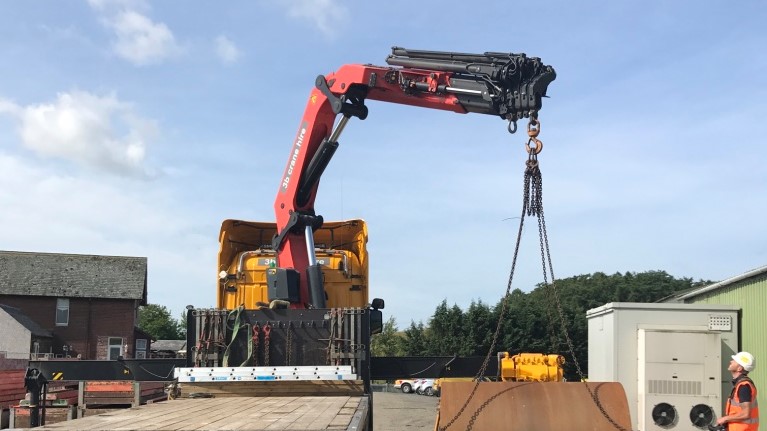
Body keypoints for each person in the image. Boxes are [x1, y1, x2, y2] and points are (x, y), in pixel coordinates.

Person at [716, 351, 759, 430]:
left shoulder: (743, 386)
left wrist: (725, 419)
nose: (731, 361)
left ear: (739, 368)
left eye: (734, 360)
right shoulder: (740, 384)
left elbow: (746, 414)